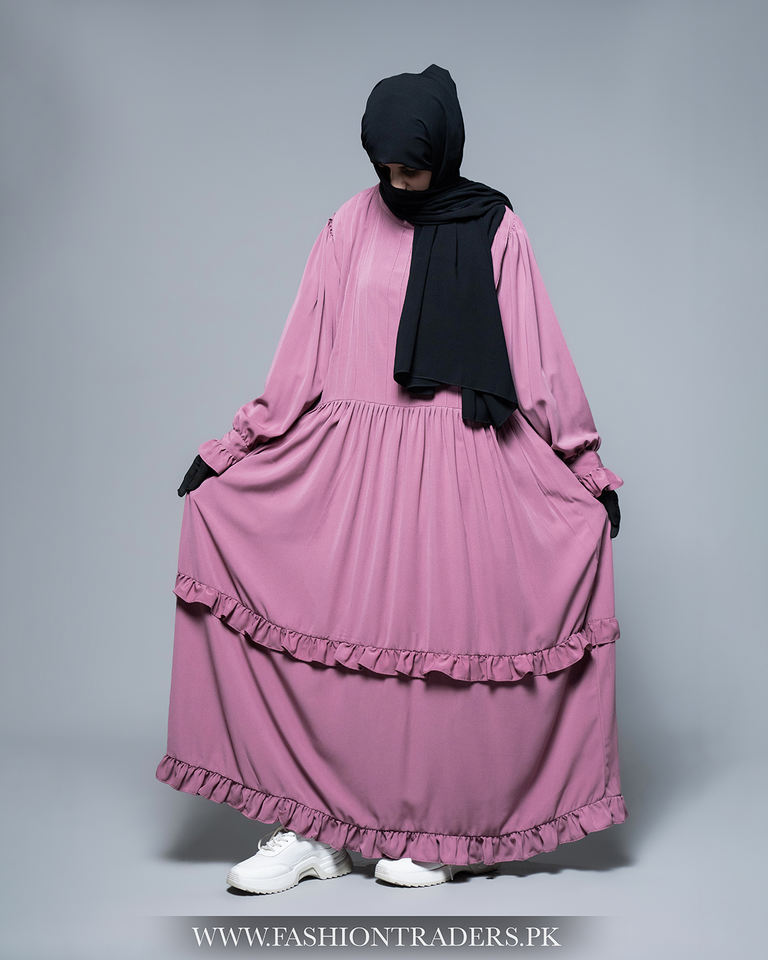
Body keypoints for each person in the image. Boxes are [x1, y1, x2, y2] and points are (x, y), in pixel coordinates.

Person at [157, 63, 627, 895]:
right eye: (385, 168)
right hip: (354, 468)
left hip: (465, 462)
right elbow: (302, 351)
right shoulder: (348, 223)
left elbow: (539, 357)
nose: (397, 182)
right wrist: (235, 447)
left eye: (411, 167)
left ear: (444, 151)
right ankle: (316, 832)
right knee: (334, 655)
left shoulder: (495, 227)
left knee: (444, 662)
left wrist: (584, 465)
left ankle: (438, 832)